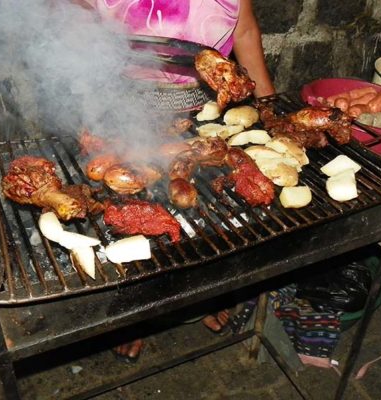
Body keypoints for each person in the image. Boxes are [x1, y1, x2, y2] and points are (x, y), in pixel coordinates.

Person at [73, 0, 275, 362]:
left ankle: (206, 294)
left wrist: (270, 107)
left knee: (206, 212)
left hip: (204, 112)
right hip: (126, 113)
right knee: (133, 214)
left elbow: (243, 30)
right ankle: (135, 315)